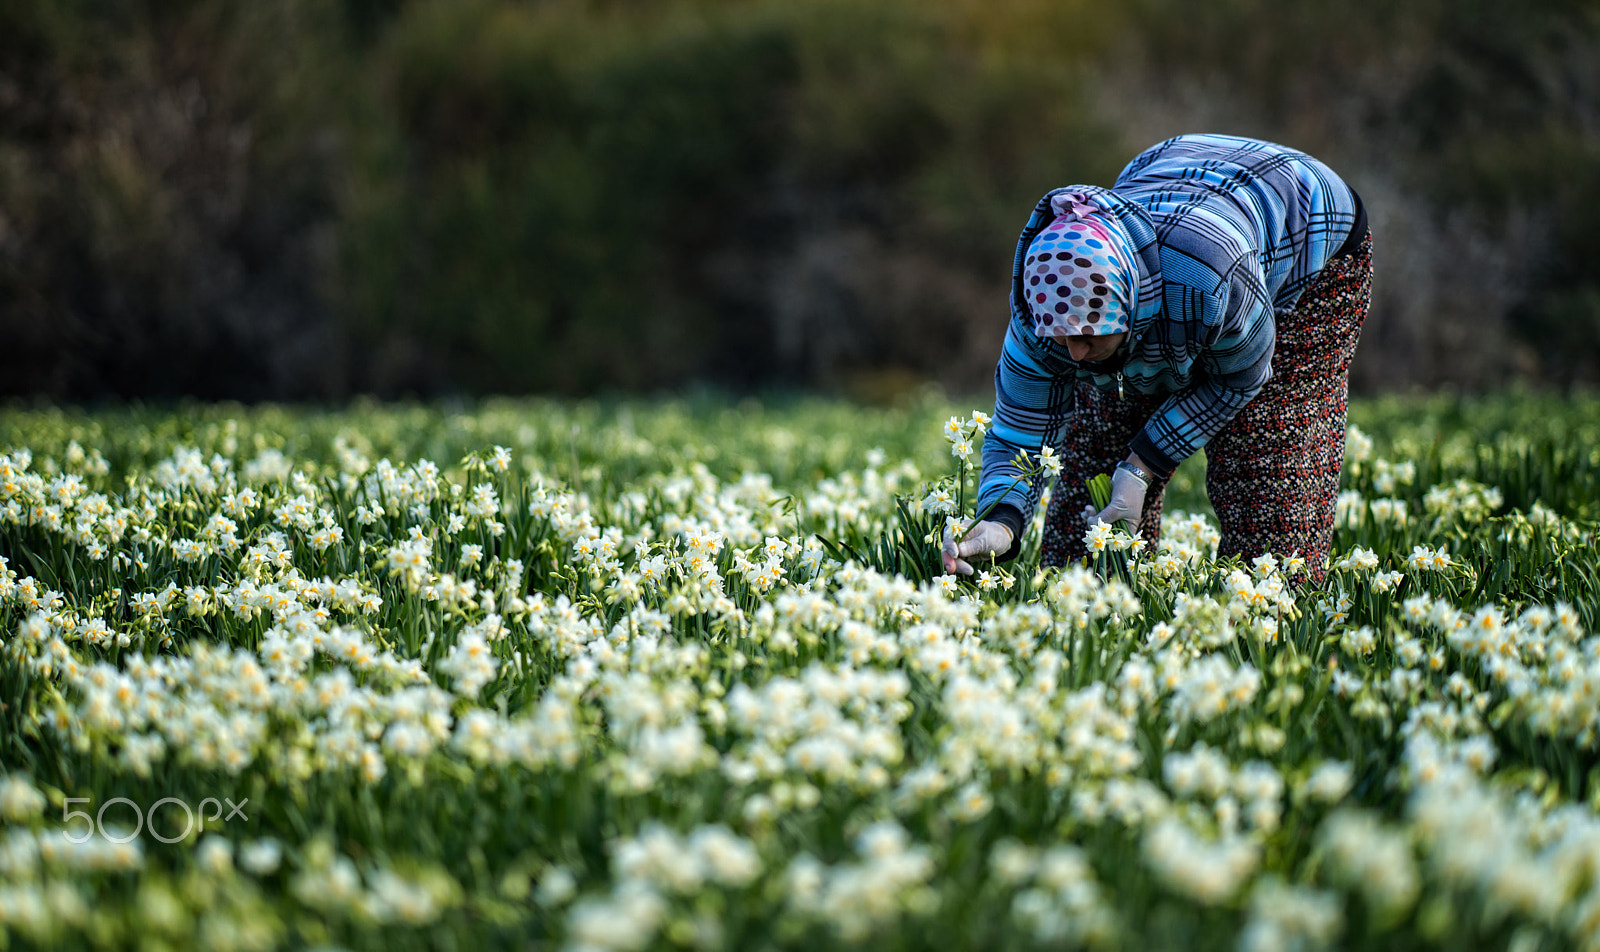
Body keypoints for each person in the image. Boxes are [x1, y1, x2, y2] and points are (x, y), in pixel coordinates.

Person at [942, 133, 1371, 584]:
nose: (1074, 351)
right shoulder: (1041, 313)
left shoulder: (1209, 281)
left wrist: (1145, 463)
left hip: (1308, 234)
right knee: (1095, 462)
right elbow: (1019, 428)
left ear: (1129, 307)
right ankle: (1096, 614)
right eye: (1061, 336)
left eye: (1089, 336)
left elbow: (1240, 380)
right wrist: (1000, 520)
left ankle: (1269, 619)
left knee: (1265, 466)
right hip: (1170, 179)